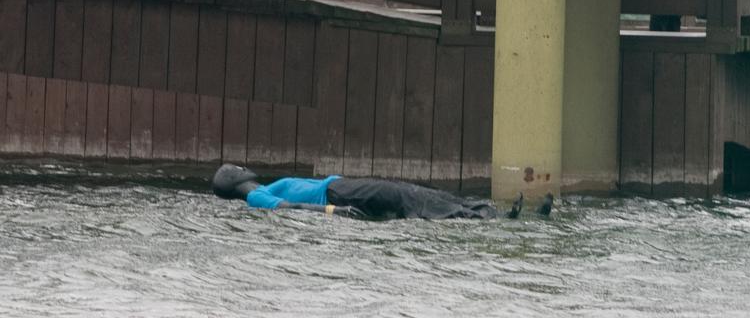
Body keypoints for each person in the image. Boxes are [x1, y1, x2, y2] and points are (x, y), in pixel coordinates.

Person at [211, 163, 552, 219]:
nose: (242, 168)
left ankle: (488, 210)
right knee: (407, 199)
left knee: (413, 192)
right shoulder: (255, 196)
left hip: (343, 188)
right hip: (340, 196)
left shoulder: (262, 187)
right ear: (231, 179)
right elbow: (285, 207)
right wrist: (332, 211)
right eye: (235, 169)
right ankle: (488, 218)